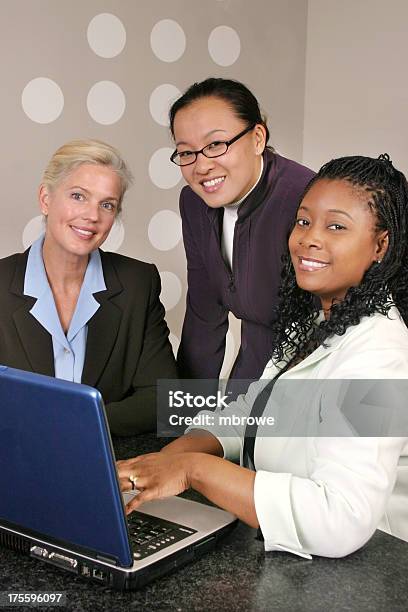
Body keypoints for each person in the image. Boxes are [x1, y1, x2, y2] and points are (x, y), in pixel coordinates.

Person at [118, 154, 408, 558]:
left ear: (380, 245)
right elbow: (253, 414)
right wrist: (160, 464)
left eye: (336, 226)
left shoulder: (382, 356)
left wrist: (192, 471)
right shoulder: (314, 320)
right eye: (304, 221)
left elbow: (341, 520)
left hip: (370, 571)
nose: (309, 238)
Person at [0, 139, 177, 436]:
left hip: (105, 462)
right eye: (78, 196)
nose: (92, 216)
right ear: (45, 199)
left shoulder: (137, 282)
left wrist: (75, 423)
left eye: (107, 204)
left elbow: (161, 399)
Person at [169, 78, 315, 388]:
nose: (201, 166)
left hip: (314, 375)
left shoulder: (308, 199)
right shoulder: (193, 203)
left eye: (215, 145)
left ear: (258, 138)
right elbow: (203, 316)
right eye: (186, 153)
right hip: (251, 368)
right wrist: (183, 414)